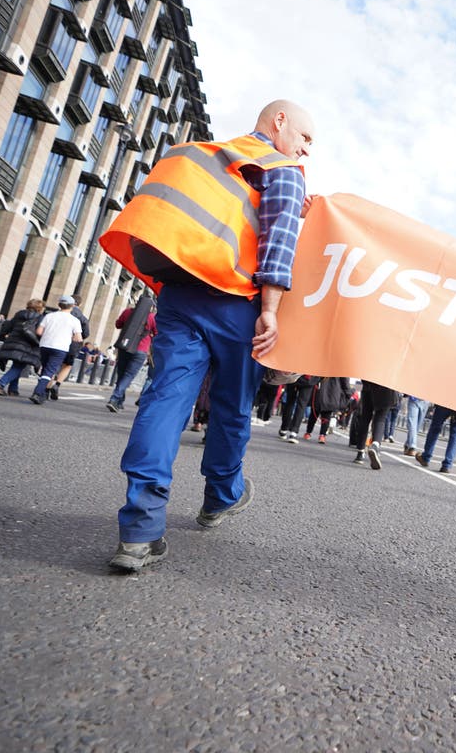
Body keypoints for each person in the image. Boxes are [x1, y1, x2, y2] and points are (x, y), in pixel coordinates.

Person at [99, 99, 315, 572]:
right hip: (238, 302)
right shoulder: (283, 168)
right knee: (232, 405)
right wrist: (272, 311)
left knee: (163, 401)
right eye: (304, 137)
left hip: (179, 293)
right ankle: (220, 497)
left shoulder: (200, 155)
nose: (305, 151)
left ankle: (139, 530)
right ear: (279, 121)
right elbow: (277, 243)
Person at [29, 296, 83, 404]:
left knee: (45, 369)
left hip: (45, 345)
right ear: (72, 306)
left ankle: (42, 393)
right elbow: (78, 338)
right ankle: (37, 392)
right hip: (60, 347)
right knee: (49, 371)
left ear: (59, 304)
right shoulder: (74, 320)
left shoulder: (49, 316)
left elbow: (39, 331)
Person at [106, 303, 157, 412]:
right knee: (129, 375)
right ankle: (115, 398)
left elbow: (118, 324)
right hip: (140, 350)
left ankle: (119, 400)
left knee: (121, 374)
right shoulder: (151, 317)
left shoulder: (128, 312)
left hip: (124, 346)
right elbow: (157, 332)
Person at [0, 299, 45, 395]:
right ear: (40, 308)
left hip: (12, 342)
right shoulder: (40, 318)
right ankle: (0, 384)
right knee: (19, 366)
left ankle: (13, 389)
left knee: (17, 365)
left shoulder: (19, 315)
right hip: (28, 345)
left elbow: (6, 328)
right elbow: (39, 333)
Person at [47, 295, 90, 401]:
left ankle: (47, 388)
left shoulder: (60, 313)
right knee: (67, 366)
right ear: (80, 304)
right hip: (73, 345)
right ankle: (57, 384)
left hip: (57, 341)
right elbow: (86, 333)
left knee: (53, 365)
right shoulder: (83, 318)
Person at [350, 380, 397, 468]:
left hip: (369, 384)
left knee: (365, 418)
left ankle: (360, 453)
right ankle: (375, 445)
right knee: (380, 418)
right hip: (386, 386)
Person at [416, 405, 456, 474]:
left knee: (435, 428)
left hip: (445, 400)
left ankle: (425, 457)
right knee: (455, 435)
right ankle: (447, 465)